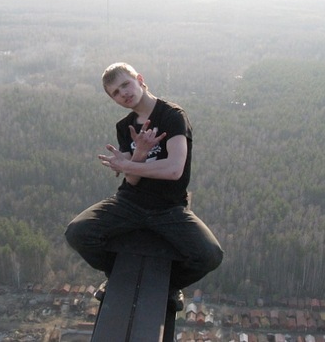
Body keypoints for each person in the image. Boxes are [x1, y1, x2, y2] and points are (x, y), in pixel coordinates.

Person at [65, 62, 223, 311]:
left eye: (125, 84)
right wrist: (139, 153)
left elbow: (174, 170)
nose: (123, 94)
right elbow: (132, 181)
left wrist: (129, 164)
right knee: (77, 234)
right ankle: (116, 275)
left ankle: (170, 285)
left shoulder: (171, 116)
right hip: (129, 202)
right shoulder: (125, 126)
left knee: (209, 255)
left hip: (169, 208)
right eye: (116, 93)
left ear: (140, 79)